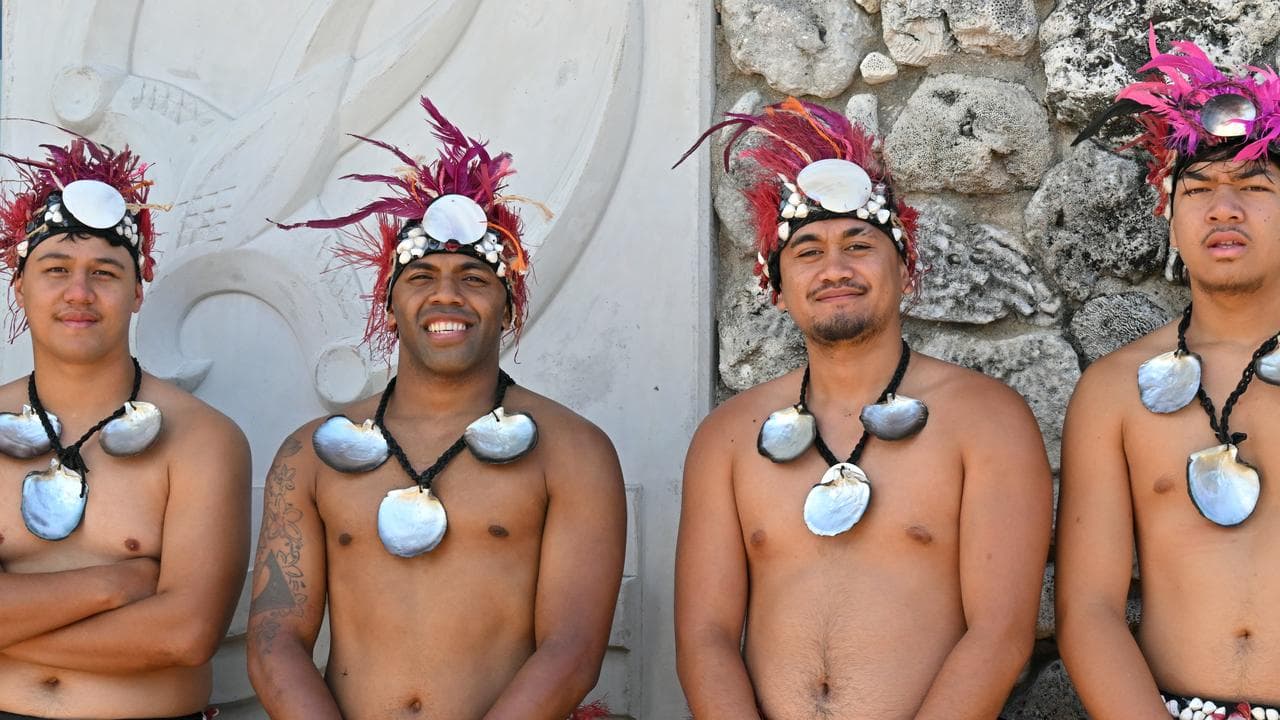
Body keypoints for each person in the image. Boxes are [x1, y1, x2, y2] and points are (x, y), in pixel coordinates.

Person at [673, 98, 1053, 720]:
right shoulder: (728, 438)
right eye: (808, 251)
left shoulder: (986, 421)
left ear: (906, 271)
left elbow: (1000, 637)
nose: (835, 268)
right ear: (775, 286)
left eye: (859, 244)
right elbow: (705, 638)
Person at [245, 98, 623, 720]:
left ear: (509, 302)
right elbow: (273, 641)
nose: (446, 295)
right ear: (389, 300)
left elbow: (572, 650)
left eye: (474, 278)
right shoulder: (309, 454)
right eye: (422, 277)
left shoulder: (574, 450)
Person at [1058, 32, 1280, 719]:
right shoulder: (1114, 392)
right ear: (1171, 215)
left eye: (1253, 185)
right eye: (1201, 188)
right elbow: (1088, 609)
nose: (1224, 208)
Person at [0, 129, 250, 718]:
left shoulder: (202, 439)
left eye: (105, 273)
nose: (79, 292)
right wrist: (117, 585)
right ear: (20, 287)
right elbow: (154, 622)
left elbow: (184, 636)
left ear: (137, 292)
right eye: (56, 268)